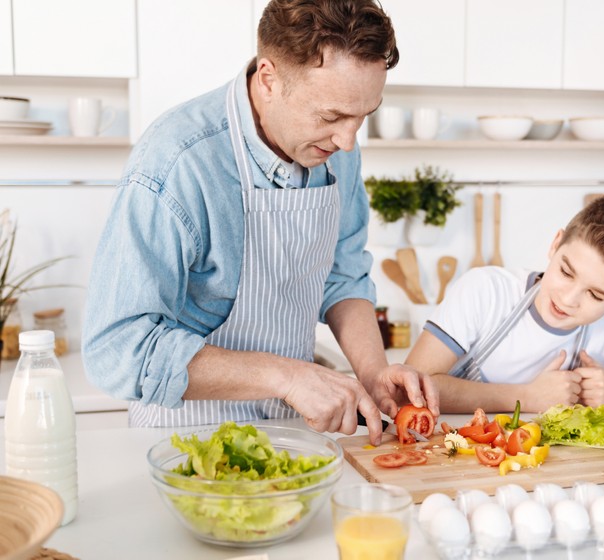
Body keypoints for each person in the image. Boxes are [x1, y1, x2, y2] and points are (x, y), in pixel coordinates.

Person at [82, 0, 438, 444]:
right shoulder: (177, 162)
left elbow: (343, 275)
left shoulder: (333, 149)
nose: (348, 141)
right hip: (185, 440)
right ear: (269, 80)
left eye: (363, 116)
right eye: (332, 116)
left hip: (293, 434)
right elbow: (117, 348)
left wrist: (373, 371)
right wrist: (285, 377)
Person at [405, 196, 604, 413]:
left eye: (596, 295)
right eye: (566, 272)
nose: (568, 299)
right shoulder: (486, 290)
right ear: (555, 244)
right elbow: (412, 388)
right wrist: (525, 398)